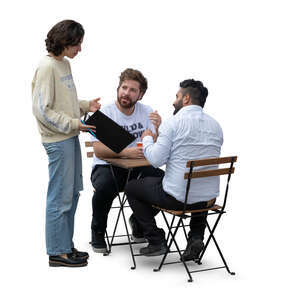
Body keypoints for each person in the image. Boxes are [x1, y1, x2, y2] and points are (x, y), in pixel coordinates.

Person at [124, 79, 223, 260]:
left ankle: (156, 240)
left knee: (132, 187)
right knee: (197, 188)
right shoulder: (216, 126)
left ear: (186, 99)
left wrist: (147, 138)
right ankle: (195, 237)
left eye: (177, 96)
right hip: (207, 199)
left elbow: (155, 160)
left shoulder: (174, 123)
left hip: (177, 198)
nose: (173, 101)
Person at [32, 20, 101, 267]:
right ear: (65, 41)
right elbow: (42, 110)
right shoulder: (47, 67)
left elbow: (63, 101)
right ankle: (57, 252)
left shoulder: (64, 64)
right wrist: (74, 123)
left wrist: (84, 106)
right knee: (60, 196)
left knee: (72, 193)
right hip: (58, 140)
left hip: (69, 136)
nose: (80, 49)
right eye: (77, 43)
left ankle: (65, 245)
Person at [90, 68, 164, 253]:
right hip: (107, 167)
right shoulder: (105, 112)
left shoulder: (146, 111)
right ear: (118, 88)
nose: (126, 93)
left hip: (138, 167)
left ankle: (139, 222)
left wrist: (157, 129)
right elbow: (98, 150)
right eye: (124, 87)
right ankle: (98, 231)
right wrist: (125, 152)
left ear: (141, 94)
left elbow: (154, 143)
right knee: (105, 187)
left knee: (166, 183)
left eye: (132, 90)